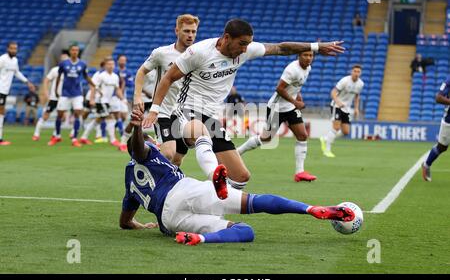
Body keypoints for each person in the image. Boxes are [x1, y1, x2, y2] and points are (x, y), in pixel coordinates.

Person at [138, 18, 344, 190]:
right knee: (195, 135)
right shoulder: (199, 52)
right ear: (226, 38)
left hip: (210, 117)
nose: (245, 49)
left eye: (248, 44)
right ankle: (213, 176)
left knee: (240, 176)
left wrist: (315, 47)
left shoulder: (245, 50)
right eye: (242, 43)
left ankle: (207, 202)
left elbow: (280, 48)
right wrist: (155, 110)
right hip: (185, 111)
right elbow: (167, 78)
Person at [119, 107, 356, 246]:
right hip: (185, 191)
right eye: (153, 141)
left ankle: (200, 239)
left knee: (244, 231)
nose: (156, 142)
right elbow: (138, 149)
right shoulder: (147, 153)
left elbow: (125, 222)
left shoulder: (130, 183)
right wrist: (139, 129)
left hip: (169, 220)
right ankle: (310, 209)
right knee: (255, 202)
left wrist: (140, 225)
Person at [123, 13, 200, 164]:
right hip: (163, 110)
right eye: (186, 31)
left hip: (183, 111)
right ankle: (144, 166)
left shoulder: (198, 55)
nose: (190, 35)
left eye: (193, 31)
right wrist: (137, 97)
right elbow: (141, 72)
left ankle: (169, 183)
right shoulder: (161, 53)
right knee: (169, 154)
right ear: (176, 31)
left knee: (177, 159)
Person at [237, 51, 316, 182]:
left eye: (310, 55)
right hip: (276, 108)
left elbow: (296, 87)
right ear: (299, 56)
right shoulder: (292, 69)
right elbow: (279, 89)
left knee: (302, 135)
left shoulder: (308, 68)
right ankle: (237, 152)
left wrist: (298, 99)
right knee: (266, 139)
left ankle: (300, 172)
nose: (308, 58)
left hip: (290, 108)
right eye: (305, 55)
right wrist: (295, 102)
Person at [48, 44, 97, 147]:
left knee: (78, 113)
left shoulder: (82, 64)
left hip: (77, 94)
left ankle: (74, 138)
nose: (75, 52)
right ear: (70, 51)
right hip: (65, 93)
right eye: (73, 50)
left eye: (77, 50)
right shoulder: (63, 64)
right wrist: (57, 90)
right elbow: (58, 77)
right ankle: (57, 136)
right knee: (60, 114)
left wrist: (94, 85)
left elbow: (86, 76)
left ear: (78, 52)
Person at [320, 65, 364, 158]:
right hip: (336, 106)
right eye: (355, 71)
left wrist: (356, 108)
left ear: (360, 73)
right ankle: (327, 150)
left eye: (358, 72)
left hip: (346, 108)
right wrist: (338, 102)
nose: (356, 73)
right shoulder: (344, 81)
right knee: (336, 128)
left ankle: (325, 138)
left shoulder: (360, 84)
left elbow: (357, 96)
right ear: (351, 72)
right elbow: (333, 92)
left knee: (346, 132)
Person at [80, 57, 124, 146]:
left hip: (107, 101)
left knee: (98, 119)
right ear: (105, 66)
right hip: (100, 100)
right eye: (109, 64)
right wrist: (92, 99)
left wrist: (122, 97)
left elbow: (117, 88)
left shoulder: (115, 77)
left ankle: (84, 137)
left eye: (112, 64)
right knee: (110, 117)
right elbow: (93, 87)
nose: (111, 66)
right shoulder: (101, 76)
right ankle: (113, 140)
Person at [0, 41, 35, 145]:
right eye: (12, 48)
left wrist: (27, 82)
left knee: (1, 113)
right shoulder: (2, 59)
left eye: (15, 48)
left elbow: (17, 72)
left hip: (4, 91)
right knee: (1, 113)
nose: (14, 50)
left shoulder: (15, 60)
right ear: (7, 49)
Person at [32, 52, 69, 141]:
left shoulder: (70, 71)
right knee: (46, 115)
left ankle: (55, 135)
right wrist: (46, 92)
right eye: (62, 59)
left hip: (64, 98)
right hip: (53, 97)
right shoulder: (55, 70)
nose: (64, 61)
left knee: (63, 117)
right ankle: (36, 134)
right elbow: (46, 81)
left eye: (66, 59)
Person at [422, 77, 450, 181]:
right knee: (442, 147)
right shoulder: (449, 80)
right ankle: (426, 164)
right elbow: (438, 98)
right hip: (449, 120)